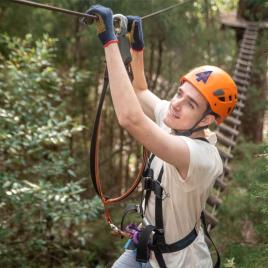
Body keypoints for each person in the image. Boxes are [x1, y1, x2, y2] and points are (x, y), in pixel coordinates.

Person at [86, 4, 237, 268]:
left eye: (190, 103)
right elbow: (141, 92)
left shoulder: (200, 156)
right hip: (145, 247)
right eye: (180, 93)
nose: (176, 104)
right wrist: (137, 49)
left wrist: (110, 41)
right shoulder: (176, 119)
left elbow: (131, 118)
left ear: (207, 119)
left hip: (179, 261)